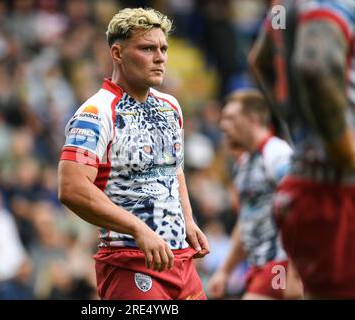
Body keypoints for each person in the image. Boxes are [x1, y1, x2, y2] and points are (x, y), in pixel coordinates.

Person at [57, 8, 209, 300]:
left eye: (163, 48)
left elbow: (173, 170)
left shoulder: (171, 106)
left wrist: (188, 220)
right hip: (129, 262)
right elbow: (71, 188)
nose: (160, 57)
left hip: (181, 262)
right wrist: (138, 229)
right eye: (147, 48)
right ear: (118, 53)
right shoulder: (95, 113)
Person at [249, 0, 355, 298]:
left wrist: (296, 123)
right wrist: (345, 154)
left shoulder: (286, 8)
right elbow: (316, 66)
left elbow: (261, 61)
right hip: (338, 190)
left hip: (313, 185)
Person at [207, 89, 302, 299]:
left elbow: (301, 211)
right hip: (257, 266)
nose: (223, 125)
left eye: (231, 118)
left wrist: (295, 274)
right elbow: (246, 222)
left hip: (281, 264)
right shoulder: (243, 164)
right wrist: (224, 271)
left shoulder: (277, 153)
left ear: (252, 119)